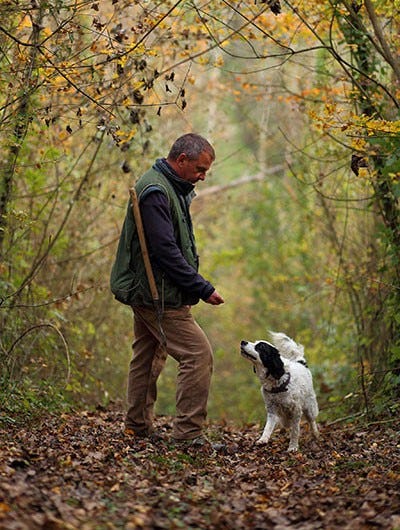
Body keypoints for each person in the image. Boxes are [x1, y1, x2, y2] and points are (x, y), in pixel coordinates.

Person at [123, 133, 224, 447]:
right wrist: (202, 288)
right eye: (200, 169)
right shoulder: (156, 191)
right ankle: (188, 435)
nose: (203, 176)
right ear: (182, 159)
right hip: (158, 294)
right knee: (198, 355)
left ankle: (136, 427)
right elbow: (165, 251)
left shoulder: (169, 187)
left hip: (155, 291)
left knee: (148, 353)